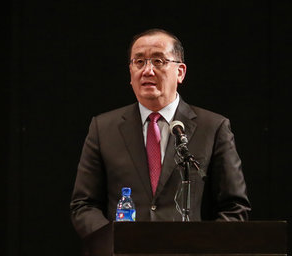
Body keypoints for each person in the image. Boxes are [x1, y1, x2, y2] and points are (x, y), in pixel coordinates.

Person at [70, 28, 251, 238]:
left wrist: (202, 247)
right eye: (139, 62)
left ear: (180, 72)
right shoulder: (103, 128)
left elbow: (234, 207)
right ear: (130, 72)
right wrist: (116, 242)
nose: (147, 70)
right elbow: (84, 205)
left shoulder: (212, 127)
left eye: (158, 61)